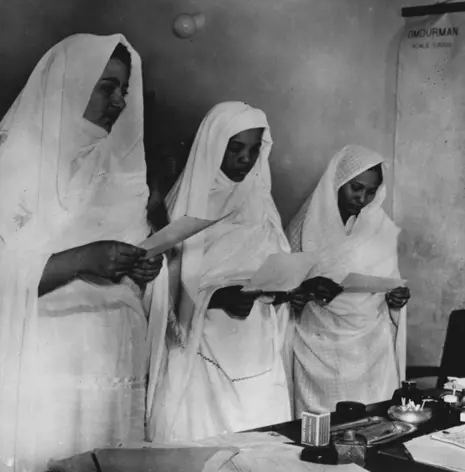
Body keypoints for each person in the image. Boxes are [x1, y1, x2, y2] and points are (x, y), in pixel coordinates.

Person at [0, 34, 165, 471]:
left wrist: (144, 267)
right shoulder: (9, 164)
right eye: (106, 87)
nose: (118, 102)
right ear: (68, 86)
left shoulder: (121, 174)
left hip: (110, 358)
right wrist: (78, 262)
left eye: (124, 91)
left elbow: (131, 262)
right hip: (41, 363)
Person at [147, 102, 296, 442]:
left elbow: (279, 264)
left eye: (254, 150)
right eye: (236, 148)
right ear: (214, 145)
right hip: (204, 346)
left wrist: (282, 288)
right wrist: (215, 297)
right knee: (209, 441)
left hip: (255, 345)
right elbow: (161, 287)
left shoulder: (261, 203)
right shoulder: (184, 206)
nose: (246, 159)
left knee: (259, 441)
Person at [285, 144, 411, 417]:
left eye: (371, 191)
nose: (363, 198)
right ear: (337, 180)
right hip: (317, 344)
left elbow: (390, 283)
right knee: (320, 424)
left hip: (369, 346)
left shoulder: (380, 228)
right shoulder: (304, 226)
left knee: (370, 420)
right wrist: (306, 288)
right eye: (356, 188)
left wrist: (397, 298)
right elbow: (283, 287)